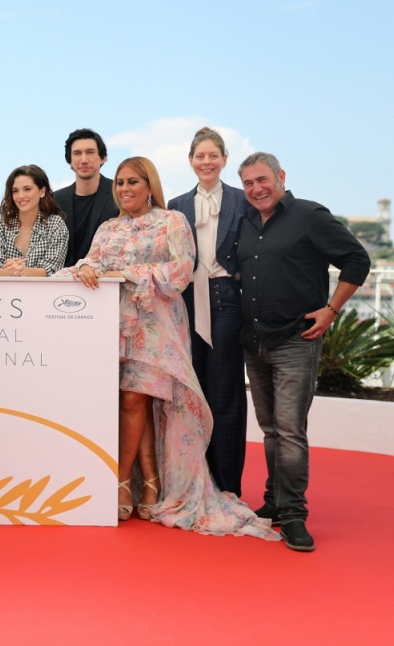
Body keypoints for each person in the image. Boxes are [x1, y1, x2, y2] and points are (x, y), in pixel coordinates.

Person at [64, 156, 277, 541]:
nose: (124, 188)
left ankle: (120, 483)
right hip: (115, 328)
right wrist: (86, 269)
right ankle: (150, 482)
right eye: (120, 183)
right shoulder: (108, 227)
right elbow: (90, 262)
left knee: (135, 399)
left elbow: (180, 272)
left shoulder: (171, 221)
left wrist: (126, 273)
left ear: (150, 186)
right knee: (137, 401)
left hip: (158, 326)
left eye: (133, 181)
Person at [237, 152, 370, 552]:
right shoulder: (246, 223)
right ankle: (275, 502)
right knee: (271, 430)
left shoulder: (310, 215)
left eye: (262, 179)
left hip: (296, 340)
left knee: (290, 430)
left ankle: (294, 515)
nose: (256, 189)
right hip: (255, 340)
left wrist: (331, 310)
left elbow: (357, 260)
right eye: (248, 183)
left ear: (280, 176)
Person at [167, 127, 248, 496]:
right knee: (191, 394)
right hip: (185, 302)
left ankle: (227, 487)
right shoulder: (177, 205)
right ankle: (192, 484)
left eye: (213, 155)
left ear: (225, 159)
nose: (206, 161)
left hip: (226, 299)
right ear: (190, 161)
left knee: (226, 392)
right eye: (200, 156)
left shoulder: (242, 200)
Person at [0, 165, 69, 276]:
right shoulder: (0, 222)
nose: (20, 196)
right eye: (15, 191)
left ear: (42, 191)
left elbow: (52, 269)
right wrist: (14, 271)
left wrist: (20, 270)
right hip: (3, 287)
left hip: (43, 288)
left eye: (27, 189)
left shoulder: (56, 224)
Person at [53, 128, 119, 267]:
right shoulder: (55, 200)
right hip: (63, 277)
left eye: (90, 152)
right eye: (77, 153)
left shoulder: (119, 194)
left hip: (104, 276)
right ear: (69, 160)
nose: (84, 160)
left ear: (103, 157)